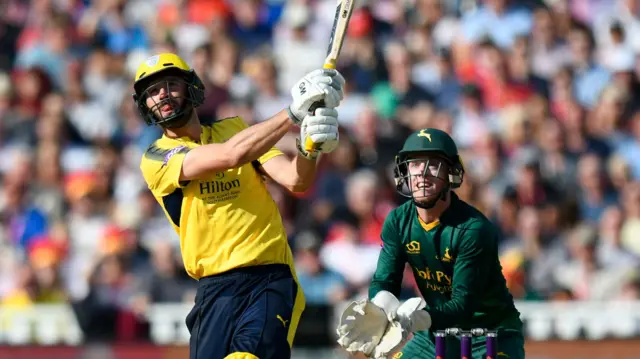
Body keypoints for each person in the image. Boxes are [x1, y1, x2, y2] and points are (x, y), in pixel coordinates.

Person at [134, 53, 345, 359]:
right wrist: (292, 114)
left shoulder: (235, 129)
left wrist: (309, 147)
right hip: (213, 290)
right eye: (152, 92)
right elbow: (230, 156)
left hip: (268, 278)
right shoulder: (155, 157)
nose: (162, 95)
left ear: (192, 87)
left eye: (170, 85)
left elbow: (295, 179)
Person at [336, 128, 525, 359]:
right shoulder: (397, 220)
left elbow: (463, 305)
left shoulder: (474, 228)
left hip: (490, 333)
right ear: (404, 172)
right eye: (415, 165)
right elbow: (385, 279)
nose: (422, 174)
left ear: (451, 174)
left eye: (433, 165)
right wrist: (380, 306)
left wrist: (417, 317)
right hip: (436, 332)